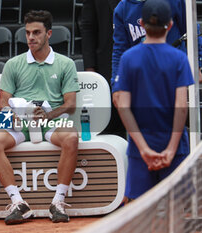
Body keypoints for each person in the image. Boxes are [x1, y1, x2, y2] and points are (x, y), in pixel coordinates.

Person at [0, 10, 80, 225]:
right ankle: (19, 204)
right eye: (28, 33)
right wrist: (13, 116)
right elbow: (2, 102)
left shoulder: (66, 64)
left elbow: (70, 105)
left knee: (72, 138)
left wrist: (48, 114)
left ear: (49, 34)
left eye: (36, 32)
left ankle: (58, 202)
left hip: (51, 120)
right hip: (20, 122)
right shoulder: (13, 64)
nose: (30, 37)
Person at [112, 0, 194, 200]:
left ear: (141, 24)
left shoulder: (128, 58)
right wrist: (171, 150)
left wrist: (144, 149)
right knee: (179, 206)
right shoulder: (179, 58)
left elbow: (123, 106)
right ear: (170, 25)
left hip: (141, 147)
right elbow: (181, 107)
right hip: (175, 145)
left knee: (138, 207)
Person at [111, 0, 202, 106]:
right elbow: (119, 50)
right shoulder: (122, 8)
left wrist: (197, 66)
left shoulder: (175, 2)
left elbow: (192, 30)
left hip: (172, 73)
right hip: (142, 78)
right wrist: (116, 84)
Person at [80, 0, 125, 138]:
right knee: (111, 121)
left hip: (141, 58)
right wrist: (89, 66)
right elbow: (87, 27)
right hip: (107, 61)